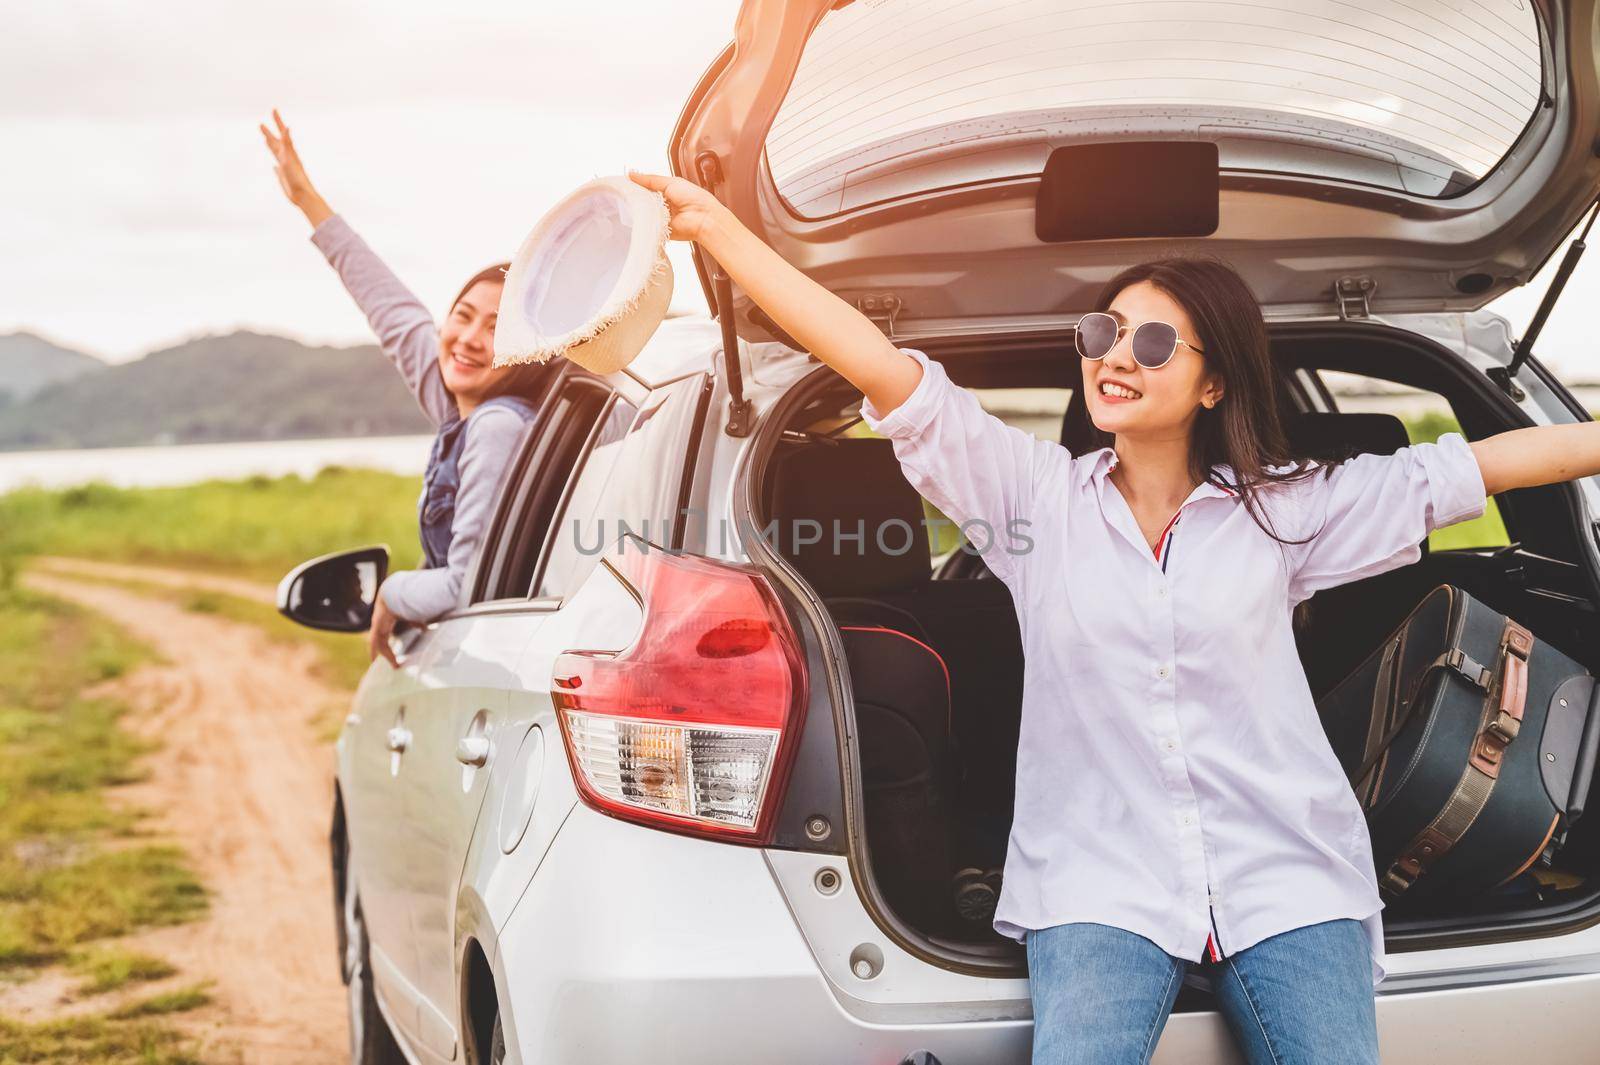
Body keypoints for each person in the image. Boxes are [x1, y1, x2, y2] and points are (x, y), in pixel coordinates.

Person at [627, 169, 1600, 1065]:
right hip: (1097, 885)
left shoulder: (1288, 508)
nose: (1113, 357)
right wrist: (721, 231)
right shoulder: (1032, 502)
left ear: (1212, 381)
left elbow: (1495, 465)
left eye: (1151, 341)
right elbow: (878, 365)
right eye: (1101, 334)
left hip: (1288, 875)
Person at [260, 110, 552, 666]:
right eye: (462, 315)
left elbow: (463, 587)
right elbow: (390, 307)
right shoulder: (459, 402)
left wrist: (392, 594)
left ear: (525, 350)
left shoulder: (494, 425)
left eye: (496, 329)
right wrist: (307, 201)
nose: (468, 338)